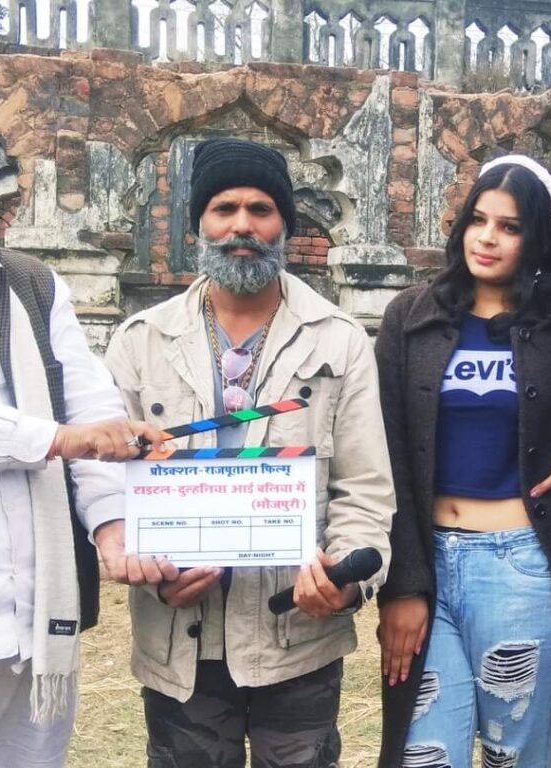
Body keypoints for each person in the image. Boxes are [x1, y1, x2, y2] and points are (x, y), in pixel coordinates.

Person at [104, 137, 395, 768]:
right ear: (198, 225)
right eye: (224, 208)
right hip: (180, 638)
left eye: (261, 209)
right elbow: (108, 486)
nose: (243, 225)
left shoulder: (339, 342)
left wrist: (344, 579)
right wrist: (151, 570)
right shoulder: (140, 342)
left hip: (297, 633)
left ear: (285, 224)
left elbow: (365, 487)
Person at [374, 154, 551, 768]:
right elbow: (388, 448)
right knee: (425, 755)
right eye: (478, 220)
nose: (487, 238)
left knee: (516, 758)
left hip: (522, 568)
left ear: (538, 240)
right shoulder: (412, 317)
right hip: (428, 563)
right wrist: (402, 583)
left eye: (510, 227)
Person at [0, 102, 170, 768]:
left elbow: (90, 405)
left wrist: (112, 524)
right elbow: (75, 434)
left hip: (27, 621)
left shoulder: (28, 285)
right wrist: (59, 440)